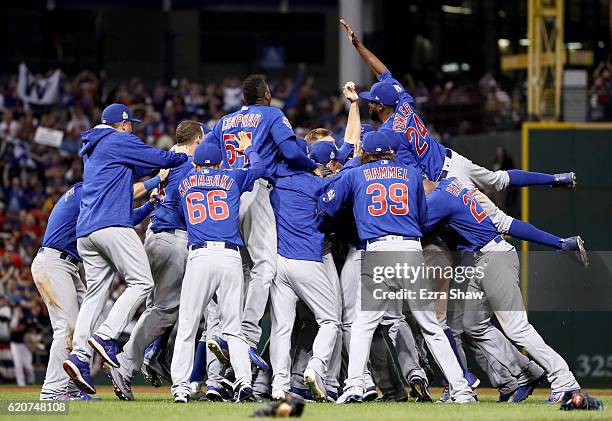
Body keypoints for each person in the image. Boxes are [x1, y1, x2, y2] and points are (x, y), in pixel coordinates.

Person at [338, 18, 588, 268]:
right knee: (499, 179)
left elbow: (411, 177)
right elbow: (384, 72)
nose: (368, 102)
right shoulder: (404, 104)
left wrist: (353, 107)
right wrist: (359, 46)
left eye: (371, 100)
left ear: (381, 106)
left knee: (501, 222)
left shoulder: (389, 135)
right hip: (454, 159)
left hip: (445, 181)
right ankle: (557, 179)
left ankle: (563, 243)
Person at [318, 130, 475, 404]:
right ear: (391, 151)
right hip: (410, 249)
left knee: (364, 325)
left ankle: (354, 385)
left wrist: (354, 167)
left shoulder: (356, 174)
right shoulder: (412, 174)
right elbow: (423, 216)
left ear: (365, 152)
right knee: (431, 326)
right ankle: (461, 390)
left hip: (378, 251)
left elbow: (326, 204)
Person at [62, 103, 188, 395]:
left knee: (95, 295)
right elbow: (160, 157)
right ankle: (106, 337)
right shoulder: (119, 139)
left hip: (87, 232)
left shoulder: (94, 147)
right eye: (130, 124)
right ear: (121, 124)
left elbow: (142, 168)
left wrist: (155, 182)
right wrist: (183, 156)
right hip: (112, 225)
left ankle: (80, 356)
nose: (133, 128)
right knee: (142, 281)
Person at [422, 177, 581, 403]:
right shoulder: (449, 183)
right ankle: (526, 372)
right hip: (480, 260)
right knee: (473, 325)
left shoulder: (438, 198)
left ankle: (565, 381)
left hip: (493, 257)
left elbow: (413, 227)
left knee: (517, 328)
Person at [205, 74, 317, 371]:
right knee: (264, 266)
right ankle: (247, 337)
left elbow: (205, 153)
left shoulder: (224, 122)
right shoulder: (272, 113)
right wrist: (313, 165)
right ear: (266, 94)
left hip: (226, 191)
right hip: (254, 188)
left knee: (237, 270)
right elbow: (292, 152)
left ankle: (222, 344)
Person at [33, 181, 158, 400]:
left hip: (67, 264)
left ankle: (71, 390)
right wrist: (156, 180)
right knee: (67, 328)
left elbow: (119, 219)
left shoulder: (85, 192)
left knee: (85, 326)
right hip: (54, 262)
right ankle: (52, 391)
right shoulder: (87, 191)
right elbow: (126, 199)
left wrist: (148, 206)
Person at [107, 120, 204, 401]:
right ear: (197, 139)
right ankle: (126, 363)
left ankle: (154, 355)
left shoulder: (171, 160)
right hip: (172, 239)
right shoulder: (187, 164)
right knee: (165, 310)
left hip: (155, 235)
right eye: (203, 141)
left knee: (158, 308)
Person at [171, 132, 264, 403]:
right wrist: (249, 149)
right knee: (233, 327)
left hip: (199, 256)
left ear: (197, 164)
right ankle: (244, 383)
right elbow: (259, 169)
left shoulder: (186, 182)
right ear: (220, 163)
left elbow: (180, 214)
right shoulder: (231, 176)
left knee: (188, 325)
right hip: (230, 257)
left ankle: (180, 388)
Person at [268, 140, 341, 402]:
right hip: (307, 260)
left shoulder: (275, 180)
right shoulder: (317, 184)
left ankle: (279, 385)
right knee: (330, 320)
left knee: (281, 328)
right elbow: (333, 212)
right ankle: (315, 367)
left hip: (278, 262)